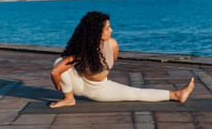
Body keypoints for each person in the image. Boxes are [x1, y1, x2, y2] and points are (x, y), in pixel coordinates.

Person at [50, 11, 195, 108]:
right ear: (95, 31)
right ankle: (69, 99)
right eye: (107, 28)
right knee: (59, 62)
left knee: (136, 93)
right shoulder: (83, 51)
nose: (111, 30)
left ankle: (177, 95)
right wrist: (60, 86)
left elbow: (109, 64)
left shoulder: (112, 44)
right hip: (80, 84)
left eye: (110, 27)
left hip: (100, 89)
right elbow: (56, 72)